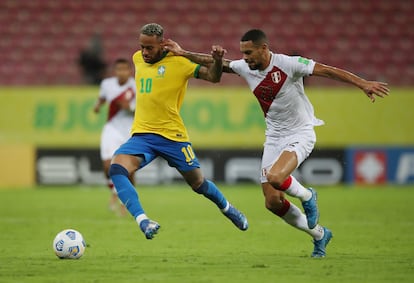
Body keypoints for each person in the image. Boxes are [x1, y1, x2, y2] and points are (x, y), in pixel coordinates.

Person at [164, 29, 389, 257]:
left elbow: (327, 71)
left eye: (249, 52)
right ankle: (320, 235)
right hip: (274, 138)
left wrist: (362, 83)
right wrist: (182, 52)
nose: (246, 57)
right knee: (272, 202)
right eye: (243, 53)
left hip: (300, 133)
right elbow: (219, 64)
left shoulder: (289, 64)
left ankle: (308, 196)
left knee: (275, 177)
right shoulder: (245, 67)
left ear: (264, 48)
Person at [108, 23, 248, 240]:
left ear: (162, 44)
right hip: (142, 135)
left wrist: (218, 60)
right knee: (117, 169)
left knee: (198, 184)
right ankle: (143, 221)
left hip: (173, 137)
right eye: (142, 47)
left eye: (150, 48)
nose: (144, 52)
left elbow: (214, 77)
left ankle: (228, 208)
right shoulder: (137, 59)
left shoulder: (180, 63)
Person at [94, 58, 136, 215]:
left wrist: (129, 108)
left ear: (129, 71)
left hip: (130, 130)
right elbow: (103, 97)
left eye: (124, 69)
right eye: (118, 69)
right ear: (115, 71)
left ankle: (127, 203)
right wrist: (98, 105)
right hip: (111, 128)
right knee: (107, 166)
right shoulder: (107, 84)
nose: (121, 72)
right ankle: (114, 191)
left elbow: (141, 109)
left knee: (130, 170)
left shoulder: (136, 85)